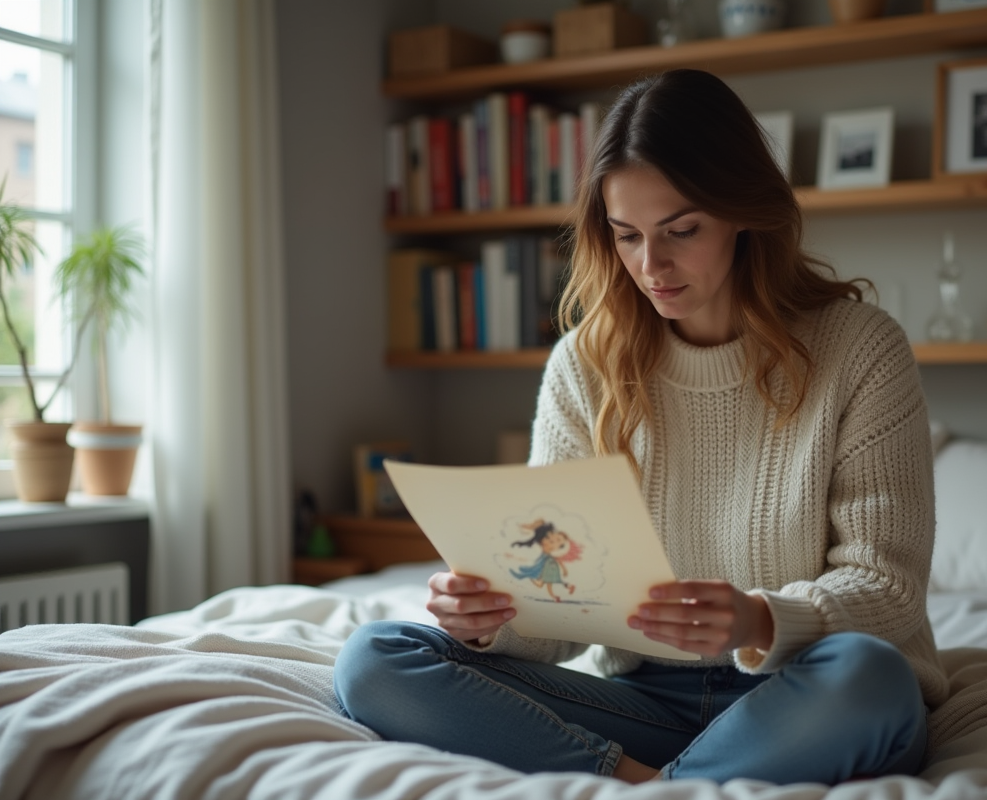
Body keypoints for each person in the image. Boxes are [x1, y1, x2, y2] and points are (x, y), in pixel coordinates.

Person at [334, 68, 949, 786]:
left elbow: (886, 585)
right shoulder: (585, 364)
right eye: (626, 236)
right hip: (645, 704)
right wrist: (488, 617)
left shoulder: (861, 349)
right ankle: (645, 782)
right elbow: (556, 611)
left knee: (873, 678)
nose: (650, 265)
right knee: (375, 660)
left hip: (809, 690)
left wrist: (758, 621)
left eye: (680, 231)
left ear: (743, 212)